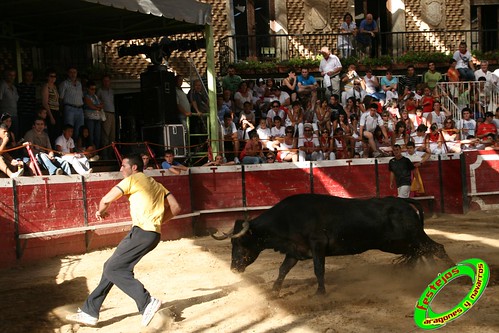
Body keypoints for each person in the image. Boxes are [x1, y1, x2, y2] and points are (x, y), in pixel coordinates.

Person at [66, 154, 181, 327]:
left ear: (134, 168)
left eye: (123, 166)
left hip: (141, 232)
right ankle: (90, 311)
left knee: (113, 268)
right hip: (152, 234)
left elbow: (105, 200)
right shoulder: (157, 185)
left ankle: (146, 301)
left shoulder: (132, 180)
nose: (120, 169)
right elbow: (176, 207)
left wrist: (101, 212)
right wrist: (156, 222)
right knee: (110, 267)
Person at [59, 66, 84, 140]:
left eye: (74, 72)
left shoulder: (79, 84)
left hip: (80, 108)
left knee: (80, 130)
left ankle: (77, 147)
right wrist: (61, 110)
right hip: (70, 108)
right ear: (68, 73)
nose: (73, 74)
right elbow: (61, 98)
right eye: (71, 72)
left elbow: (81, 96)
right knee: (69, 130)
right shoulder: (64, 84)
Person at [41, 68, 62, 144]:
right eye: (51, 76)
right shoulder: (46, 87)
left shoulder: (55, 87)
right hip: (50, 111)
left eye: (54, 76)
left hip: (57, 110)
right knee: (51, 132)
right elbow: (45, 102)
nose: (53, 78)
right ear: (47, 77)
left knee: (57, 131)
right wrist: (50, 116)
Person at [97, 75, 115, 156]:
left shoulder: (111, 91)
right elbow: (96, 101)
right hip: (105, 113)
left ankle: (110, 154)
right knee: (105, 135)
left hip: (112, 113)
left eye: (108, 81)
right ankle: (105, 155)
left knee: (112, 136)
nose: (106, 82)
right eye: (105, 81)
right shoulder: (100, 91)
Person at [16, 69, 37, 136]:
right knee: (23, 130)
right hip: (23, 112)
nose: (29, 77)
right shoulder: (20, 86)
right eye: (27, 75)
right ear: (24, 76)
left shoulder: (34, 86)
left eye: (31, 75)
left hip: (32, 112)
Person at [83, 81, 104, 149]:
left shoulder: (96, 96)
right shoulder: (86, 96)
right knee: (90, 135)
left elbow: (102, 104)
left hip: (97, 118)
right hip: (90, 118)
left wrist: (96, 106)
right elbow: (91, 105)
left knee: (97, 136)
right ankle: (91, 151)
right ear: (88, 89)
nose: (94, 91)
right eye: (92, 89)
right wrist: (97, 107)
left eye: (95, 89)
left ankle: (97, 152)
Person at [0, 68, 19, 138]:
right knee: (5, 136)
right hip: (5, 116)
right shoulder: (2, 85)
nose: (12, 77)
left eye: (13, 75)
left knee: (14, 135)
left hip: (14, 115)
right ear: (5, 75)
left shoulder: (14, 87)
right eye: (10, 75)